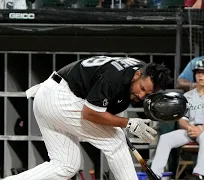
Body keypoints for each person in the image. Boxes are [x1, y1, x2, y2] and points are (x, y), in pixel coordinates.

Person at [4, 56, 171, 180]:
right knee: (116, 141)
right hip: (60, 97)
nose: (142, 95)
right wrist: (127, 123)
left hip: (49, 95)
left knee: (66, 165)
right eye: (142, 88)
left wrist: (120, 123)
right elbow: (90, 114)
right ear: (137, 75)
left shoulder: (137, 71)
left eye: (147, 93)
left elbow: (110, 103)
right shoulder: (114, 78)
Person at [151, 59, 204, 180]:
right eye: (198, 72)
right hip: (192, 130)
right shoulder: (188, 96)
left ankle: (199, 174)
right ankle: (155, 174)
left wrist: (202, 129)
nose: (200, 75)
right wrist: (189, 127)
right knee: (165, 138)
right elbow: (182, 119)